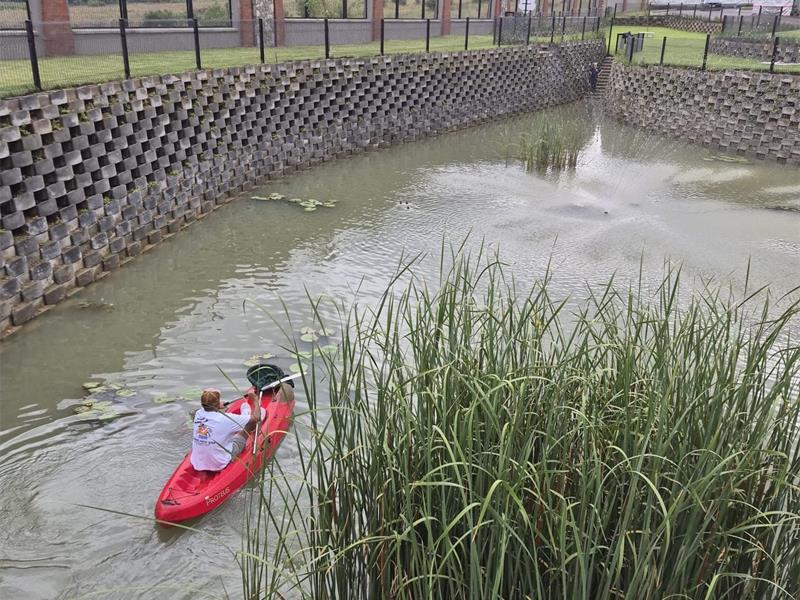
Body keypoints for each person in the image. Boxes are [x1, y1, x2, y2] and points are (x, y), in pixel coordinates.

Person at [190, 388, 260, 471]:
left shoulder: (198, 413)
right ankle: (246, 419)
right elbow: (256, 418)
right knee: (249, 424)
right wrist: (255, 399)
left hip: (197, 463)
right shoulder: (225, 419)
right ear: (217, 404)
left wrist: (217, 406)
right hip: (219, 463)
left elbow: (208, 408)